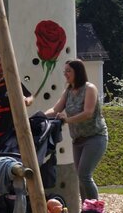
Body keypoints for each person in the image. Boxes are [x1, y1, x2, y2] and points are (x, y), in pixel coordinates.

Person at [43, 59, 107, 201]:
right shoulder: (68, 91)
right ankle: (86, 209)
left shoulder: (89, 88)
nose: (65, 74)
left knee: (84, 175)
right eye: (64, 71)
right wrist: (40, 116)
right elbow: (55, 109)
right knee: (80, 176)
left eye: (68, 71)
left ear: (77, 72)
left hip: (95, 137)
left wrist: (67, 120)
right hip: (78, 139)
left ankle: (95, 210)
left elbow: (88, 113)